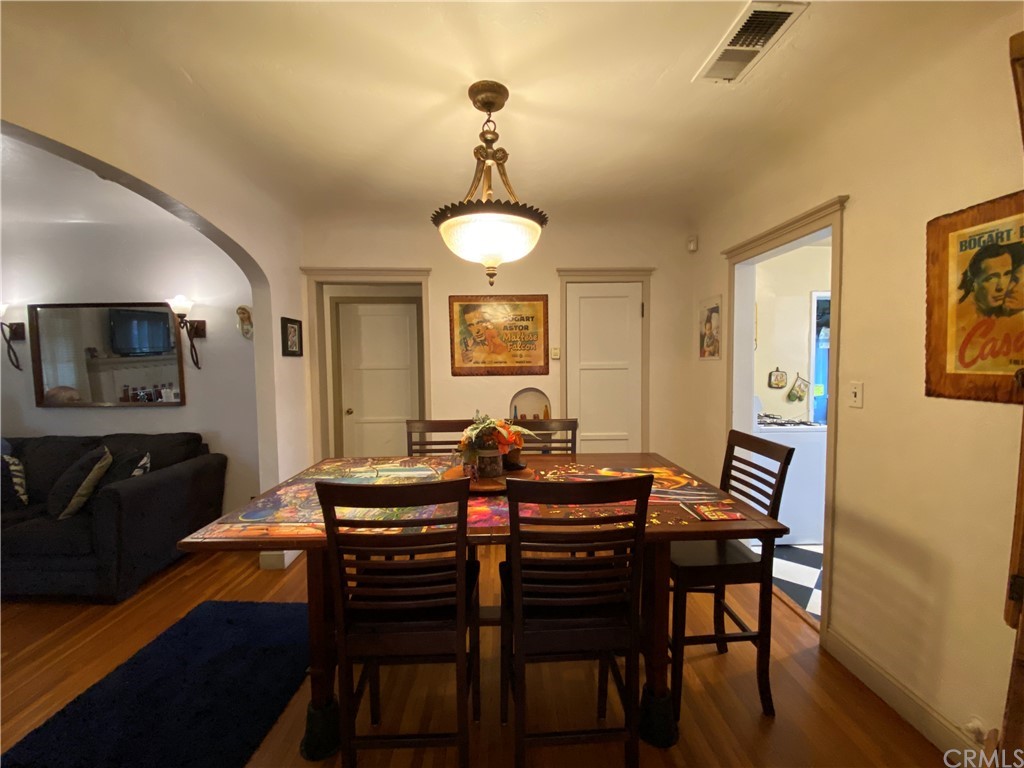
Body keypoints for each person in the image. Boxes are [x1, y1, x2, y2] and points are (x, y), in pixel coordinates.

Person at [956, 243, 1017, 317]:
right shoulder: (962, 318)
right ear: (971, 284)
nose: (1001, 287)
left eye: (1007, 274)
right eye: (991, 278)